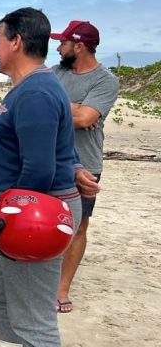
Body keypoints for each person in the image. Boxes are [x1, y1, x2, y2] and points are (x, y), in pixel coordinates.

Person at [0, 7, 98, 347]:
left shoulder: (38, 91)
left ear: (17, 41)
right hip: (29, 209)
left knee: (34, 309)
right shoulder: (36, 86)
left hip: (36, 215)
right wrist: (74, 168)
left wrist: (15, 213)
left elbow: (39, 170)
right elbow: (61, 148)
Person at [50, 20, 119, 313]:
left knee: (78, 226)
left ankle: (61, 288)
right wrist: (77, 107)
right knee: (45, 223)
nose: (58, 47)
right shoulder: (54, 73)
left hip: (86, 163)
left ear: (79, 46)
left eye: (64, 43)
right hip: (49, 159)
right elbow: (77, 115)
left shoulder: (105, 80)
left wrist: (63, 108)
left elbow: (85, 119)